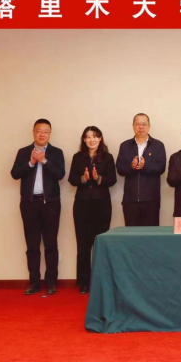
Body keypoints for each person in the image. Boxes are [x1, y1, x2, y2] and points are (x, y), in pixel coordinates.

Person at [10, 119, 65, 295]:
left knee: (51, 244)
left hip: (51, 203)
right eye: (39, 131)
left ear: (50, 134)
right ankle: (34, 283)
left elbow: (60, 174)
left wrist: (44, 161)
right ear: (33, 132)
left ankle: (51, 283)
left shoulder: (57, 152)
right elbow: (15, 174)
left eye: (46, 131)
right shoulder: (23, 152)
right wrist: (31, 163)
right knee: (32, 245)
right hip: (29, 203)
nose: (42, 134)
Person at [68, 126, 117, 294]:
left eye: (95, 136)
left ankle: (101, 281)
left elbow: (112, 179)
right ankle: (84, 282)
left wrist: (98, 178)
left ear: (100, 138)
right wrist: (83, 178)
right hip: (82, 205)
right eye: (88, 137)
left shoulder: (108, 157)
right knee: (83, 245)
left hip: (102, 205)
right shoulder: (78, 157)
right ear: (84, 140)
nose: (92, 140)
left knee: (100, 244)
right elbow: (72, 179)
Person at [116, 113, 166, 226]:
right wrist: (131, 167)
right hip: (130, 200)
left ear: (149, 126)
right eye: (138, 124)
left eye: (144, 124)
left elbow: (161, 168)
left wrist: (145, 166)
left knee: (151, 234)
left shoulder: (158, 145)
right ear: (133, 126)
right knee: (131, 234)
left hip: (151, 200)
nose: (141, 127)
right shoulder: (125, 146)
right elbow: (119, 169)